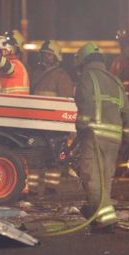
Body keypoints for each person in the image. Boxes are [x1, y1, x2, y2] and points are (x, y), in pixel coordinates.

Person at [74, 42, 129, 233]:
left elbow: (84, 104)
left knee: (91, 176)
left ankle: (105, 221)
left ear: (83, 61)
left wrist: (81, 127)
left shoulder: (87, 76)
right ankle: (98, 215)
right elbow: (128, 112)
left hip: (94, 135)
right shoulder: (115, 80)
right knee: (104, 179)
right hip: (114, 139)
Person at [29, 40, 75, 194]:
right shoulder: (36, 73)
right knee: (34, 159)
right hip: (37, 124)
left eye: (49, 55)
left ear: (56, 57)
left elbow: (67, 103)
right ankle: (33, 189)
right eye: (44, 54)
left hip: (54, 127)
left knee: (53, 160)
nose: (45, 57)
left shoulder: (62, 76)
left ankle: (50, 189)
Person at [110, 29, 129, 146]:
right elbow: (111, 86)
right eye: (125, 46)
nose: (128, 50)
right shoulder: (117, 63)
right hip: (123, 111)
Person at [0, 30, 30, 94]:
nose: (3, 51)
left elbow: (8, 67)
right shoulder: (2, 66)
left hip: (16, 103)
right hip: (10, 103)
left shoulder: (17, 65)